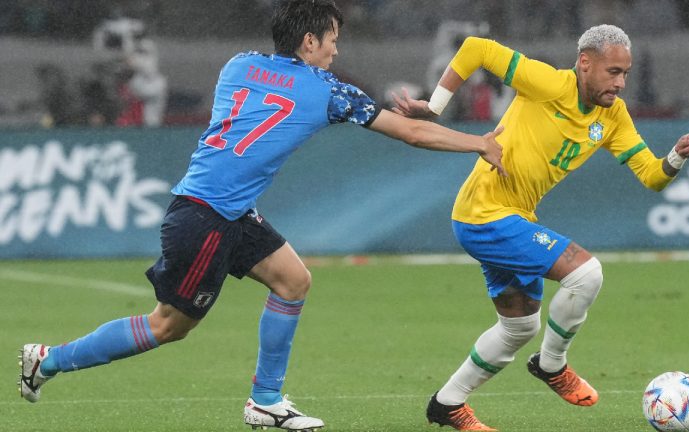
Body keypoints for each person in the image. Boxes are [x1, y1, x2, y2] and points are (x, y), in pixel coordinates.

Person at [19, 1, 507, 431]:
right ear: (310, 40)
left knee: (293, 280)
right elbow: (411, 134)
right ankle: (49, 359)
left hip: (221, 210)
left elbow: (273, 102)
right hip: (206, 217)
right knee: (167, 326)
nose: (336, 51)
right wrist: (479, 143)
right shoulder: (327, 91)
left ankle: (267, 401)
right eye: (333, 41)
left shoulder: (238, 65)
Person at [392, 24, 689, 431]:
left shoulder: (613, 116)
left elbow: (651, 175)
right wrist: (434, 106)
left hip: (514, 217)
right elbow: (476, 48)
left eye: (625, 73)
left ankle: (447, 404)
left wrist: (676, 158)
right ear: (585, 64)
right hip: (484, 213)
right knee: (586, 274)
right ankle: (551, 364)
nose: (621, 83)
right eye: (613, 72)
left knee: (519, 326)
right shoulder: (548, 83)